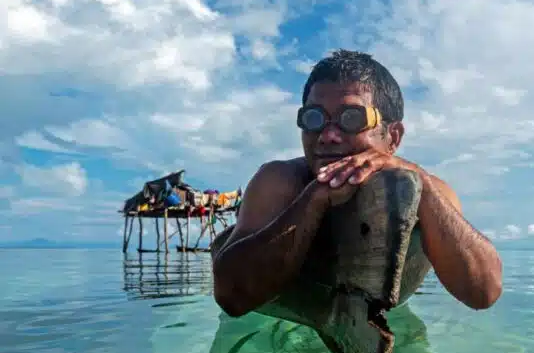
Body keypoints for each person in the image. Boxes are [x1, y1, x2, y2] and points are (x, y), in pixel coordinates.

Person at [212, 49, 503, 317]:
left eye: (351, 118)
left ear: (393, 137)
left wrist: (423, 188)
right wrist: (313, 201)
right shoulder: (280, 181)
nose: (328, 135)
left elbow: (484, 293)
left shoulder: (429, 189)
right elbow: (232, 298)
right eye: (314, 118)